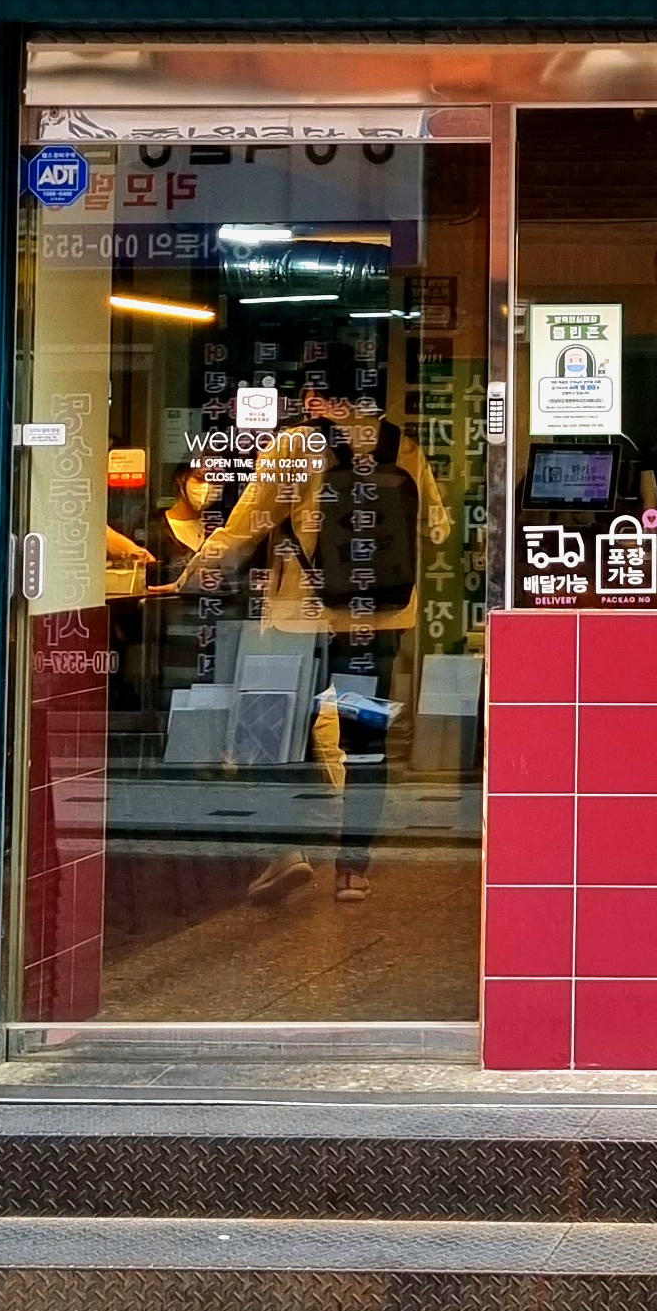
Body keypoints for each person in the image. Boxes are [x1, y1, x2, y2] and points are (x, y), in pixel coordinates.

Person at [178, 344, 451, 901]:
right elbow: (439, 529)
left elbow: (246, 527)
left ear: (317, 394)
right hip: (379, 622)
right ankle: (354, 870)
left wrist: (190, 577)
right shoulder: (404, 447)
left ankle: (288, 852)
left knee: (272, 735)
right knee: (366, 745)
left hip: (296, 623)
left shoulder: (295, 446)